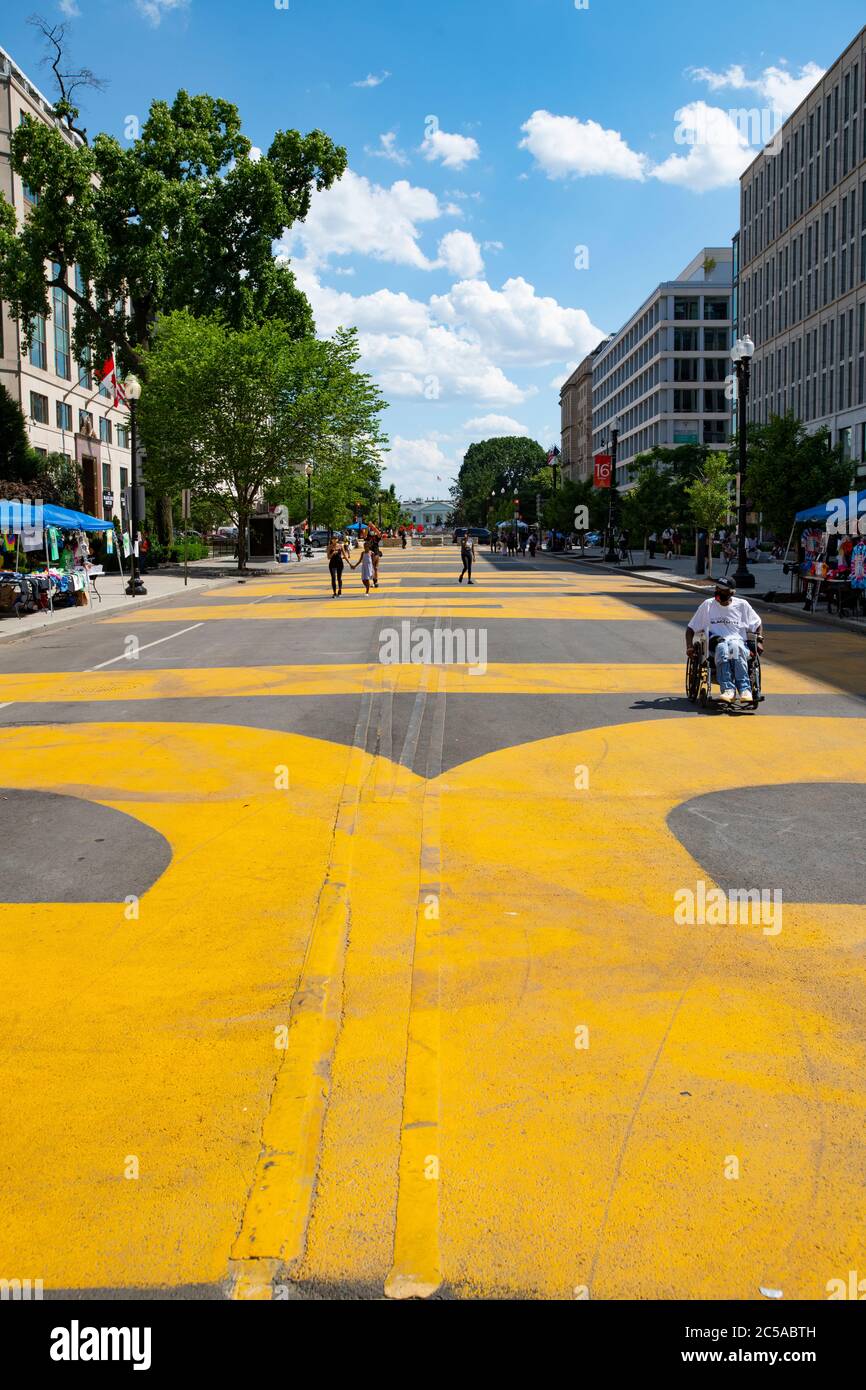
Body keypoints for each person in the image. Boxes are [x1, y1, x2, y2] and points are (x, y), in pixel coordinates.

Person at [686, 577, 763, 705]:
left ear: (731, 592)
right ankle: (728, 689)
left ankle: (745, 690)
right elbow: (690, 629)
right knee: (723, 648)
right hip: (715, 644)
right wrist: (689, 647)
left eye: (722, 590)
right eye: (717, 588)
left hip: (737, 642)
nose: (718, 592)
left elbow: (758, 624)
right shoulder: (708, 605)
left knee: (734, 647)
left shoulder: (742, 605)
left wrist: (759, 640)